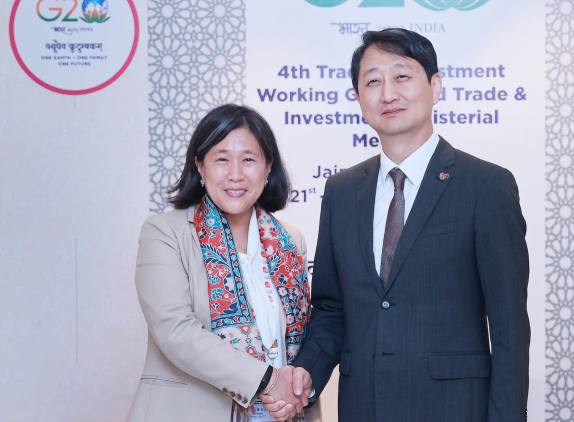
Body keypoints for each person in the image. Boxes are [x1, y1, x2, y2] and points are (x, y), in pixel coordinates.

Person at [264, 28, 530, 421]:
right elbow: (332, 309)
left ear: (435, 85)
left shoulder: (486, 186)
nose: (388, 94)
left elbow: (509, 326)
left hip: (455, 410)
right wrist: (306, 374)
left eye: (402, 76)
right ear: (358, 99)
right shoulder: (341, 191)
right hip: (363, 409)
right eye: (373, 81)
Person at [127, 104, 321, 422]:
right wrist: (268, 379)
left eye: (248, 159)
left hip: (280, 414)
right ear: (200, 166)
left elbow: (302, 340)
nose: (235, 174)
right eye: (221, 159)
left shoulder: (291, 240)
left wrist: (298, 386)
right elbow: (176, 331)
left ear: (267, 167)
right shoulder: (165, 233)